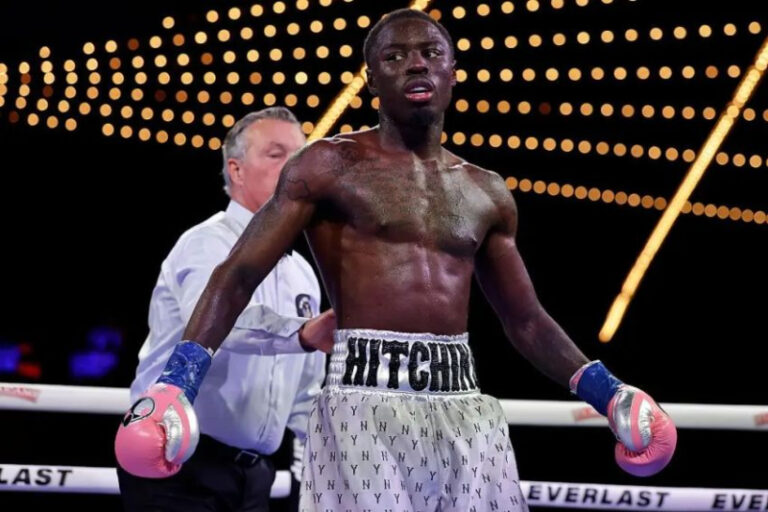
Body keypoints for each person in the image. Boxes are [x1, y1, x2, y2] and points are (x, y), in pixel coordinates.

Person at [115, 9, 678, 512]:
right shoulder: (326, 166)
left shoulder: (486, 191)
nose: (416, 64)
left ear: (452, 72)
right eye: (395, 56)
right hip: (362, 404)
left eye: (431, 53)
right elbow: (238, 274)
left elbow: (526, 320)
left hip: (464, 407)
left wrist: (610, 392)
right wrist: (176, 384)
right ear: (371, 79)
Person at [116, 107, 335, 512]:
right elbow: (216, 326)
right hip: (180, 465)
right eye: (276, 154)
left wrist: (319, 465)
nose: (294, 167)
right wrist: (302, 334)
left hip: (254, 475)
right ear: (236, 170)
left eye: (300, 155)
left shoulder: (302, 272)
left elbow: (306, 385)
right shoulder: (206, 245)